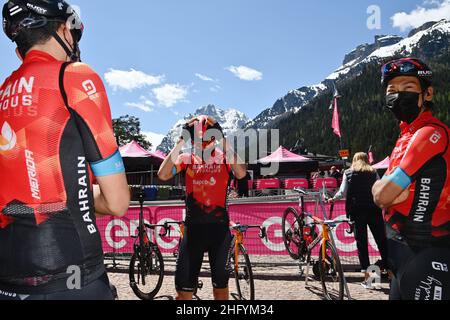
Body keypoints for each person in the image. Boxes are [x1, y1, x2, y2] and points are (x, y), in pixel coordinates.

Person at [0, 0, 130, 300]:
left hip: (8, 276)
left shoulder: (4, 91)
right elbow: (118, 201)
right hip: (72, 275)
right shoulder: (76, 76)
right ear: (63, 30)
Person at [373, 58, 450, 300]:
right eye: (392, 90)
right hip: (403, 255)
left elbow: (381, 194)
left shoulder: (428, 134)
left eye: (408, 88)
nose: (398, 96)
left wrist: (391, 192)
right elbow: (381, 190)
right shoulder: (406, 136)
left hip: (427, 254)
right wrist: (392, 191)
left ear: (427, 93)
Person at [158, 115, 247, 300]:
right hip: (193, 233)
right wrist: (181, 140)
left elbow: (241, 172)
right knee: (183, 293)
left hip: (219, 233)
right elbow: (163, 174)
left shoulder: (224, 159)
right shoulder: (186, 158)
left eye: (209, 138)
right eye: (199, 139)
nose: (204, 143)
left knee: (221, 291)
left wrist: (224, 140)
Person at [329, 153, 388, 288]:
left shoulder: (348, 173)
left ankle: (369, 281)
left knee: (362, 244)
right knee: (382, 242)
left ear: (354, 160)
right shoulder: (373, 172)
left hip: (357, 211)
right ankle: (391, 274)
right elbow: (379, 190)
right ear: (367, 160)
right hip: (374, 210)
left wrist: (333, 199)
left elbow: (342, 192)